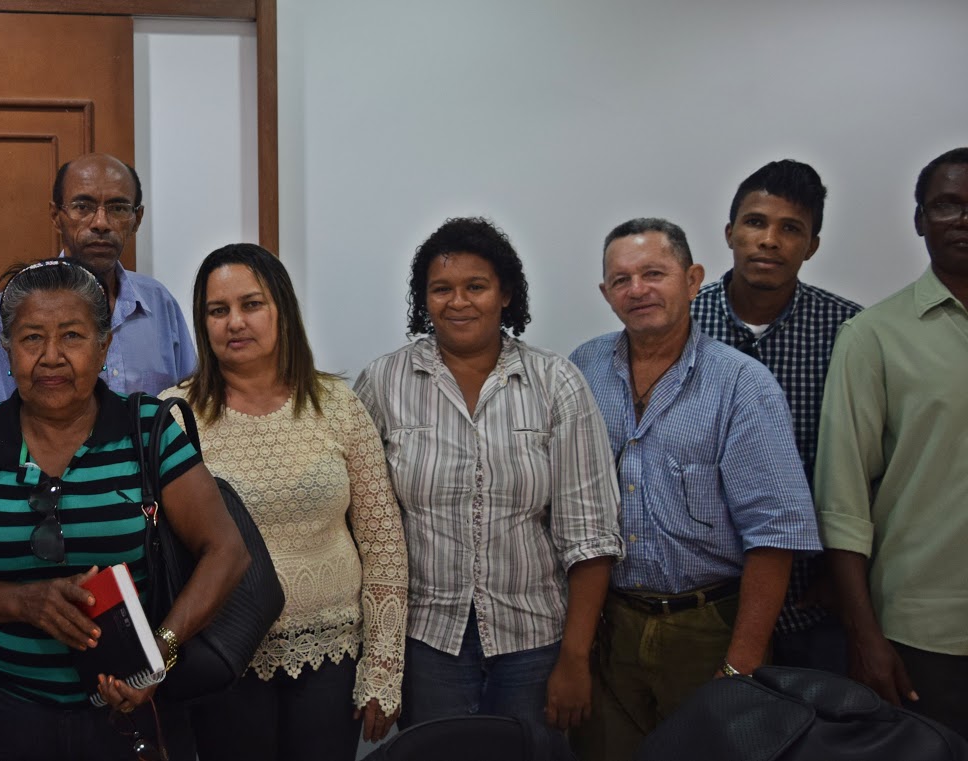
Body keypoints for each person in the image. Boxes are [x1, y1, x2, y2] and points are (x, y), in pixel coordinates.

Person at [0, 258, 249, 761]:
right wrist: (23, 602)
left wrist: (158, 654)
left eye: (72, 336)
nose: (51, 357)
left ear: (103, 347)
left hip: (127, 714)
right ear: (7, 348)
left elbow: (227, 551)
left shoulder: (148, 430)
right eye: (31, 338)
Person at [354, 219, 623, 738]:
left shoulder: (556, 382)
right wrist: (379, 658)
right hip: (426, 642)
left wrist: (575, 658)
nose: (458, 302)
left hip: (534, 642)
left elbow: (589, 535)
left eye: (475, 286)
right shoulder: (384, 382)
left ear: (505, 294)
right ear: (424, 299)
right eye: (441, 289)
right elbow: (364, 528)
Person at [569, 218, 822, 761]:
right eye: (621, 279)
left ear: (692, 280)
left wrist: (740, 665)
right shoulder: (583, 368)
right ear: (606, 293)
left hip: (707, 626)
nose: (637, 290)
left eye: (654, 273)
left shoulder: (742, 385)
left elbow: (774, 536)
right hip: (610, 624)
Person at [159, 243, 408, 761]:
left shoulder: (337, 405)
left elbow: (383, 543)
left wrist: (383, 668)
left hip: (332, 653)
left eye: (251, 304)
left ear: (283, 311)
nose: (235, 322)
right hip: (223, 654)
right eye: (218, 310)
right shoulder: (174, 416)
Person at [815, 147, 968, 738]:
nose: (962, 219)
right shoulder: (873, 336)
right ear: (920, 220)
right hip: (926, 631)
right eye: (946, 205)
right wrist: (864, 636)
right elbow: (843, 500)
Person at [690, 160, 862, 673]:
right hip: (706, 600)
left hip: (816, 599)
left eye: (791, 228)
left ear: (812, 245)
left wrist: (842, 572)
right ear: (729, 233)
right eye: (755, 222)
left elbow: (863, 464)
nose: (769, 240)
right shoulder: (684, 323)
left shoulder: (849, 331)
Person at [0, 153, 195, 406]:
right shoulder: (10, 310)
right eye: (82, 207)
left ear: (137, 220)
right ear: (56, 216)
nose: (101, 223)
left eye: (118, 208)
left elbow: (190, 405)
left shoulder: (159, 303)